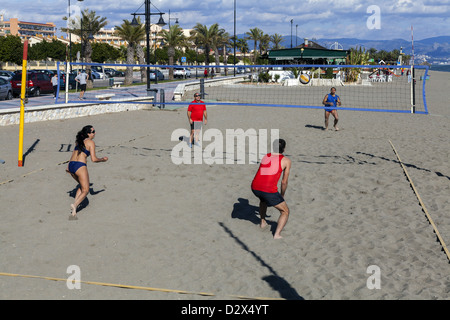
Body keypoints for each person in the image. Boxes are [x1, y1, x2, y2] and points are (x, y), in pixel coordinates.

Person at [251, 139, 291, 239]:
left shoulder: (266, 156)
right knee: (285, 211)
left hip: (255, 187)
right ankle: (277, 234)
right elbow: (284, 182)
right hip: (267, 190)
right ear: (284, 149)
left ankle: (263, 222)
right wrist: (282, 195)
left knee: (263, 200)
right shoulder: (286, 161)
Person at [66, 125, 108, 220]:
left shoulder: (79, 141)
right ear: (88, 134)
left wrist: (68, 166)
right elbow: (93, 159)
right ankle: (75, 204)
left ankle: (74, 211)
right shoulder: (91, 142)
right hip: (79, 166)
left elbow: (74, 154)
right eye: (93, 132)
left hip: (71, 165)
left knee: (82, 186)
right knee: (86, 190)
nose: (95, 133)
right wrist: (102, 159)